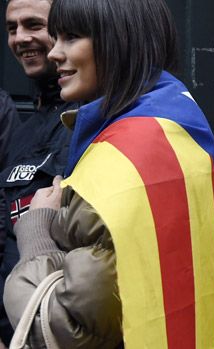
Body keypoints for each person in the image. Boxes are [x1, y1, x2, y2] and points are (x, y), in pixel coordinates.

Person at [3, 0, 214, 347]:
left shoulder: (120, 162)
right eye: (56, 37)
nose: (55, 52)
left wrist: (36, 232)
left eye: (71, 37)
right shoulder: (176, 125)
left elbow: (61, 328)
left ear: (117, 40)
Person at [0, 0, 74, 345]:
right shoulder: (25, 129)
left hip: (58, 326)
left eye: (33, 25)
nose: (20, 38)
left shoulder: (91, 122)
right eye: (12, 28)